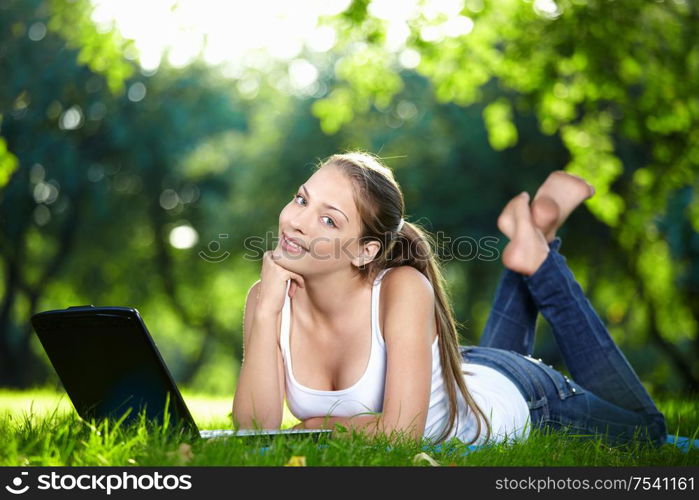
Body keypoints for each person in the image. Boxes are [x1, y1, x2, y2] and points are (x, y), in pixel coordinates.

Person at [231, 151, 668, 449]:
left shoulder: (401, 287)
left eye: (328, 218)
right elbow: (255, 432)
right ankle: (535, 236)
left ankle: (539, 254)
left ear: (366, 250)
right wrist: (267, 311)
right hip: (467, 368)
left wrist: (322, 426)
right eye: (301, 199)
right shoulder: (266, 299)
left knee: (651, 432)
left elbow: (402, 435)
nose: (297, 222)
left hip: (525, 399)